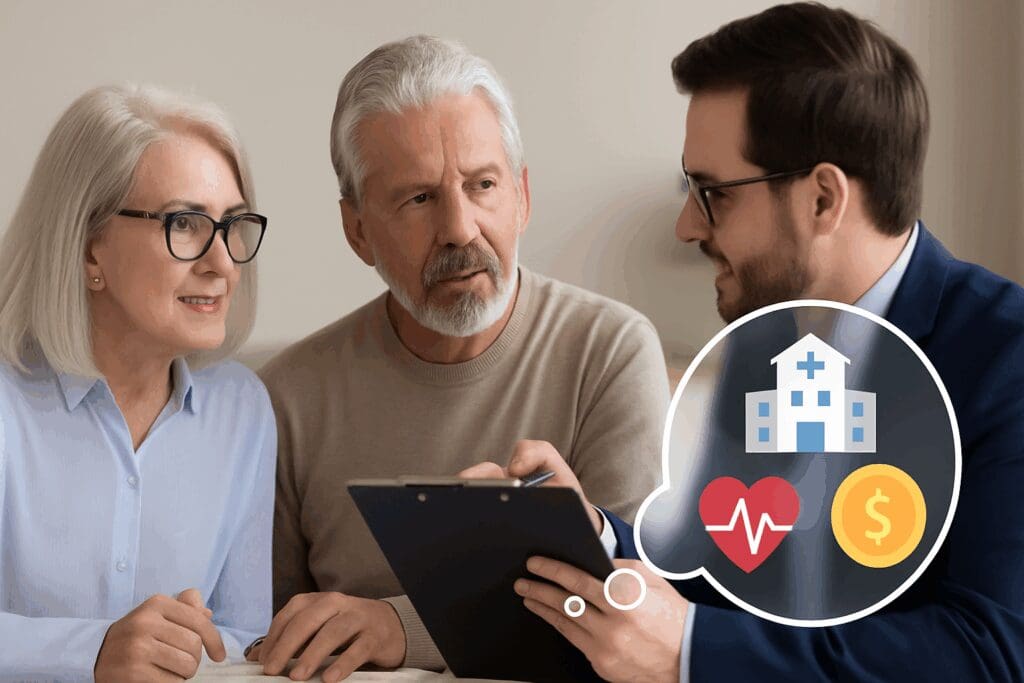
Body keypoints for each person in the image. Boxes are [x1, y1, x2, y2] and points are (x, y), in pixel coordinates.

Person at [468, 3, 1024, 681]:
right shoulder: (774, 348)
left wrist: (689, 651)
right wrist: (594, 533)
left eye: (712, 193)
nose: (685, 225)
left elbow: (990, 654)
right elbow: (737, 566)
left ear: (823, 199)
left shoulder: (1006, 358)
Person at [253, 35, 669, 681]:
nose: (460, 227)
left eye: (482, 185)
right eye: (418, 198)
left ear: (522, 196)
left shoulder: (609, 350)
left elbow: (638, 610)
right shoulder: (287, 395)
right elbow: (270, 627)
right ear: (357, 228)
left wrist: (398, 626)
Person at [0, 84, 276, 682]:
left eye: (231, 226)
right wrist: (92, 652)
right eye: (185, 224)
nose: (223, 264)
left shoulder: (242, 410)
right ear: (88, 246)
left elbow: (244, 638)